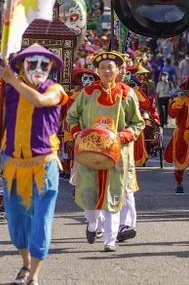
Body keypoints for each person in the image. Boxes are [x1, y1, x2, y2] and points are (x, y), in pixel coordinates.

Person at [0, 45, 68, 285]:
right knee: (16, 220)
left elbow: (40, 101)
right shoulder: (7, 93)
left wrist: (12, 80)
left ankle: (34, 276)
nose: (40, 69)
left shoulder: (55, 89)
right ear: (21, 66)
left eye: (46, 64)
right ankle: (25, 263)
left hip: (44, 167)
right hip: (13, 167)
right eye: (33, 64)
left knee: (41, 219)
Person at [66, 51, 145, 252]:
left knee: (115, 195)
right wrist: (77, 134)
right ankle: (92, 224)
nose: (107, 71)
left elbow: (138, 123)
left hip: (117, 155)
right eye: (103, 68)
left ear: (118, 70)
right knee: (89, 196)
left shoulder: (127, 93)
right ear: (97, 71)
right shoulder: (87, 93)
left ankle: (110, 240)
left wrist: (124, 135)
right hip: (89, 152)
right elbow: (71, 118)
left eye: (111, 67)